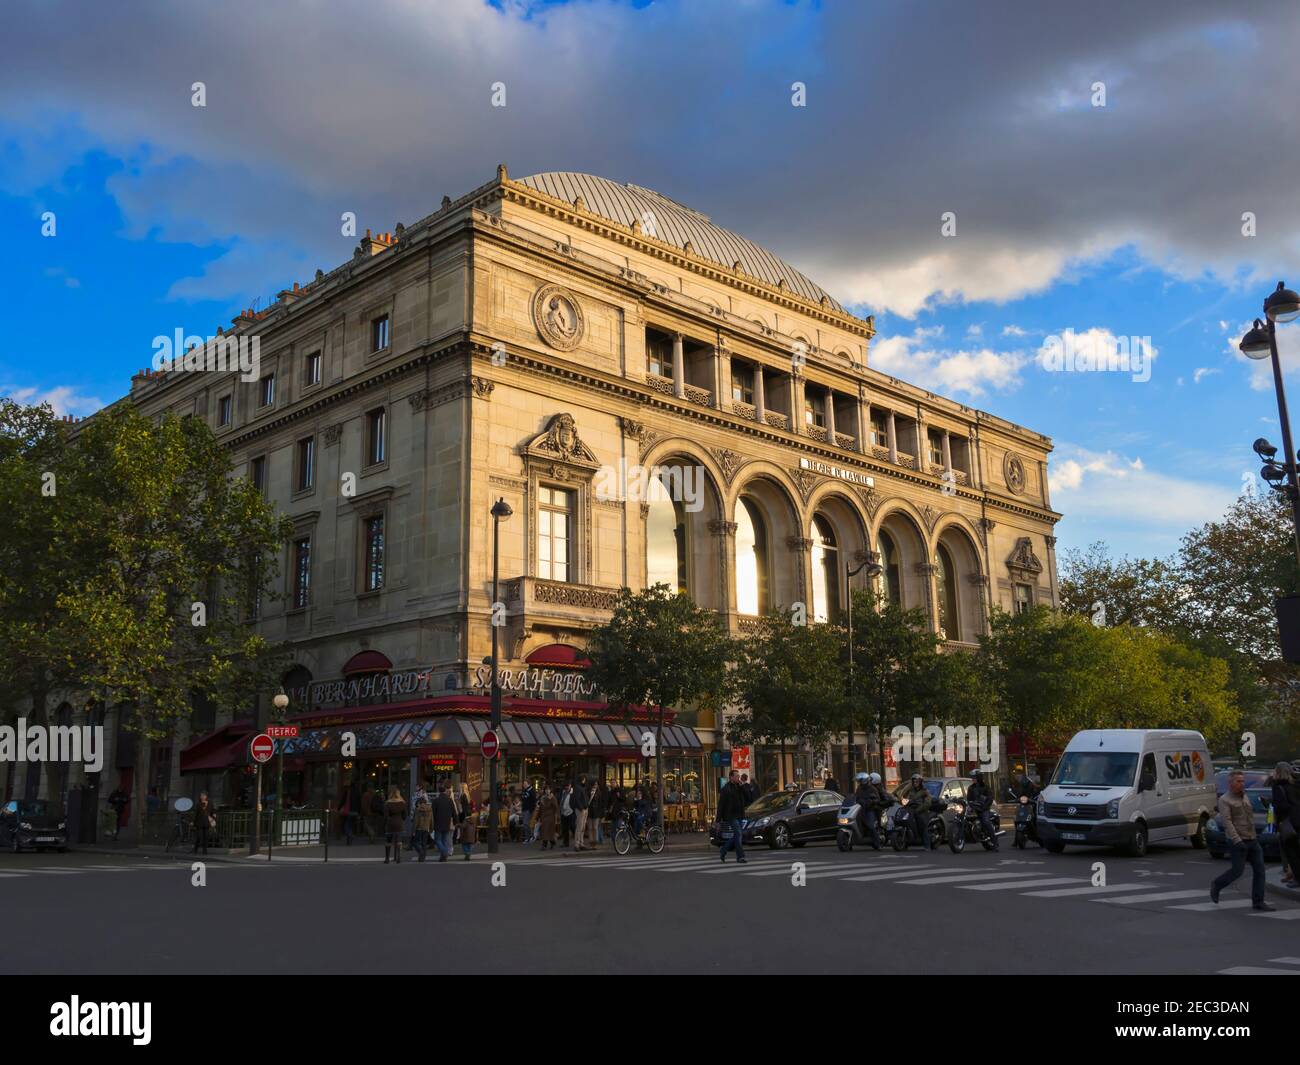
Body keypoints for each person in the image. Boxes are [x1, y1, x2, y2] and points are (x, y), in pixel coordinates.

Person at [1211, 770, 1274, 911]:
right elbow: (1227, 822)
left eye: (1243, 781)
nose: (1242, 784)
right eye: (1238, 781)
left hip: (1252, 839)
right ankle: (1217, 884)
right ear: (1230, 783)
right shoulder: (1224, 800)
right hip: (1237, 841)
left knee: (1260, 870)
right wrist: (1237, 841)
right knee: (1237, 871)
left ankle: (1258, 902)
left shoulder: (1245, 796)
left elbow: (1249, 817)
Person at [1269, 762, 1300, 888]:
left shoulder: (1277, 786)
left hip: (1288, 823)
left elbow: (1281, 806)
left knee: (1291, 852)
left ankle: (1297, 878)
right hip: (1298, 822)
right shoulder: (1296, 784)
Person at [717, 769, 748, 863]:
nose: (738, 778)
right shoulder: (726, 789)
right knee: (738, 833)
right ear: (731, 777)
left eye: (738, 776)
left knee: (737, 835)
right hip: (730, 815)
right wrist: (718, 820)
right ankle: (740, 856)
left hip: (740, 814)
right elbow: (721, 804)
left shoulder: (739, 787)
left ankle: (723, 850)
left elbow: (748, 797)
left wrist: (742, 786)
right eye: (736, 776)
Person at [895, 773, 934, 849]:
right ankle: (907, 838)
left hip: (921, 810)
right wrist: (900, 799)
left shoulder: (924, 791)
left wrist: (919, 809)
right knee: (903, 816)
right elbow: (902, 795)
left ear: (920, 782)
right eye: (914, 781)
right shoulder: (910, 789)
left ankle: (927, 845)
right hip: (911, 808)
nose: (915, 783)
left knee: (922, 825)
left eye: (917, 781)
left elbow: (927, 803)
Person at [966, 769, 998, 850]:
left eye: (974, 777)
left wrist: (985, 807)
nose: (972, 779)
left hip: (983, 809)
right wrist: (968, 804)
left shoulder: (985, 787)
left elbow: (990, 799)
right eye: (972, 777)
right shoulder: (971, 788)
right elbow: (969, 799)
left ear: (979, 777)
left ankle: (994, 842)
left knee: (986, 821)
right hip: (974, 808)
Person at [852, 772, 881, 849]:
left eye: (860, 781)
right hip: (860, 809)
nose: (859, 782)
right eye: (858, 781)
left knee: (871, 826)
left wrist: (871, 801)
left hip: (869, 810)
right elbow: (855, 797)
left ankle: (877, 843)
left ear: (864, 780)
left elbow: (877, 799)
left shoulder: (872, 789)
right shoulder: (859, 788)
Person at [432, 784, 457, 862]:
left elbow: (433, 813)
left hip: (438, 822)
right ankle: (443, 857)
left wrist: (432, 823)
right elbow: (454, 812)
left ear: (439, 791)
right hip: (447, 822)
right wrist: (456, 822)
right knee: (444, 840)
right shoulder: (449, 800)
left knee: (438, 840)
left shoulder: (436, 800)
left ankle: (444, 853)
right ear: (445, 791)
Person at [382, 787, 407, 865]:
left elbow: (385, 816)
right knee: (399, 841)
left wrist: (386, 822)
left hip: (390, 824)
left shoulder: (387, 803)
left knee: (388, 841)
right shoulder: (402, 803)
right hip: (399, 823)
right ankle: (398, 858)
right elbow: (405, 815)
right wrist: (401, 819)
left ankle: (387, 859)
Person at [572, 775, 591, 851]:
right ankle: (577, 844)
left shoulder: (581, 787)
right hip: (581, 809)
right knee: (580, 827)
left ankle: (581, 843)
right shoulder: (578, 787)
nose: (585, 781)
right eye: (584, 779)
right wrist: (581, 808)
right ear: (582, 780)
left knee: (582, 827)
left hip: (584, 808)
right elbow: (577, 799)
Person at [412, 792, 432, 861]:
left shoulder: (418, 810)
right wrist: (431, 828)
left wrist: (413, 831)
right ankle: (422, 858)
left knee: (415, 842)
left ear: (419, 803)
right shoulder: (430, 809)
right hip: (426, 828)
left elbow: (416, 821)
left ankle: (420, 852)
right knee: (424, 843)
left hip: (419, 828)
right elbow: (432, 820)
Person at [589, 780, 607, 846]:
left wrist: (601, 814)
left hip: (596, 813)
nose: (595, 786)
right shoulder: (589, 792)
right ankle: (591, 841)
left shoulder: (599, 793)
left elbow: (601, 804)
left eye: (596, 785)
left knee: (595, 828)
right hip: (590, 812)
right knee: (590, 828)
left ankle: (595, 841)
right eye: (594, 784)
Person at [560, 783, 575, 848]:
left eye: (568, 786)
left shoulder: (573, 793)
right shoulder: (563, 792)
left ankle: (577, 841)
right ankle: (566, 843)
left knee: (572, 827)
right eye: (566, 786)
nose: (567, 787)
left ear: (570, 786)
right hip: (563, 812)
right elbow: (561, 801)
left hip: (571, 812)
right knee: (565, 829)